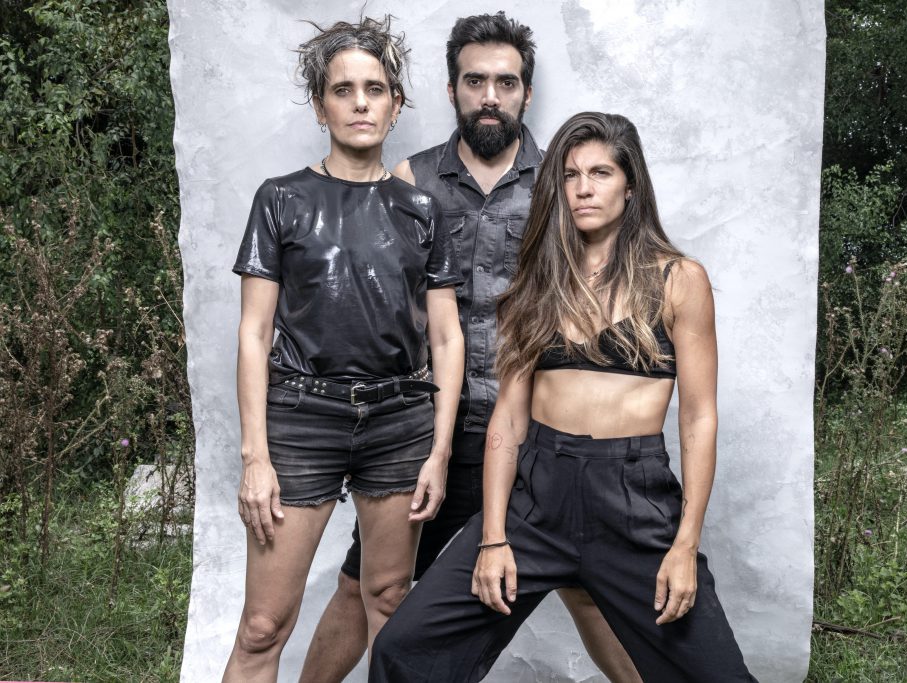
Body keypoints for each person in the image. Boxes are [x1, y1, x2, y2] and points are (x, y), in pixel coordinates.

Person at [301, 12, 640, 683]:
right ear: (452, 89)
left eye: (506, 82)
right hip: (431, 426)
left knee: (585, 589)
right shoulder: (411, 180)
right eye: (475, 80)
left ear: (526, 93)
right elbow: (380, 307)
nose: (490, 96)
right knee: (366, 582)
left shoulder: (563, 185)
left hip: (533, 427)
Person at [368, 112, 758, 682]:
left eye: (600, 173)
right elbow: (508, 420)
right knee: (403, 649)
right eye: (571, 175)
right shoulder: (539, 282)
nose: (583, 188)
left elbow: (699, 417)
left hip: (632, 502)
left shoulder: (678, 279)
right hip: (536, 500)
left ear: (631, 184)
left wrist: (684, 544)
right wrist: (494, 538)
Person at [222, 16, 464, 682]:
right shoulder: (281, 199)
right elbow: (253, 332)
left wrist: (440, 450)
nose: (361, 103)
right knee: (263, 625)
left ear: (396, 103)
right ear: (319, 104)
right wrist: (255, 457)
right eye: (343, 89)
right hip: (302, 419)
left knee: (388, 599)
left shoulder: (422, 210)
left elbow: (446, 336)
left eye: (375, 89)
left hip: (399, 422)